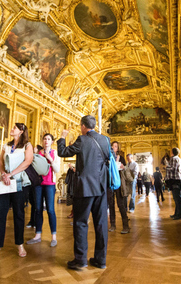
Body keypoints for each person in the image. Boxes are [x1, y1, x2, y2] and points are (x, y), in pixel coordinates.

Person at [57, 115, 110, 270]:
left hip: (85, 188)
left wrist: (62, 137)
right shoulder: (105, 140)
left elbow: (63, 152)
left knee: (80, 223)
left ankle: (81, 260)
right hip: (101, 188)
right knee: (101, 224)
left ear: (83, 126)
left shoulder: (82, 139)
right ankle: (101, 260)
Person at [0, 123, 32, 261]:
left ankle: (20, 244)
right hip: (5, 183)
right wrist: (4, 174)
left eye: (14, 128)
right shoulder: (6, 145)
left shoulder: (27, 145)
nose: (12, 129)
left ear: (21, 131)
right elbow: (0, 161)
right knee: (0, 213)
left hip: (19, 183)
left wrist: (11, 174)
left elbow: (27, 162)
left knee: (19, 214)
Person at [27, 133, 60, 247]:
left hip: (50, 183)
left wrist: (50, 159)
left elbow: (57, 169)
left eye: (48, 139)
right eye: (44, 139)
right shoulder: (38, 154)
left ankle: (53, 237)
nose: (46, 141)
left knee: (50, 209)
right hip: (38, 184)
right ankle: (38, 235)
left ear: (52, 141)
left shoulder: (54, 153)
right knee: (38, 209)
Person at [107, 141, 129, 233]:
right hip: (110, 183)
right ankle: (112, 225)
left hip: (119, 183)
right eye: (112, 146)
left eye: (115, 146)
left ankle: (126, 226)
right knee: (111, 204)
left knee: (121, 204)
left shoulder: (121, 158)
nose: (113, 147)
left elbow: (126, 169)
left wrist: (123, 167)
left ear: (117, 148)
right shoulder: (108, 158)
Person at [24, 145, 43, 228]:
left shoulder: (39, 158)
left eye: (35, 148)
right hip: (30, 182)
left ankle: (35, 221)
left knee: (36, 203)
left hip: (36, 182)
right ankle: (32, 220)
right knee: (32, 202)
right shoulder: (30, 157)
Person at [167, 148, 181, 220]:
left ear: (172, 152)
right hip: (177, 179)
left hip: (174, 180)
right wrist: (180, 173)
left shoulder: (173, 159)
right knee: (177, 197)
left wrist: (167, 167)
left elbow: (173, 168)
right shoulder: (179, 159)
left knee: (177, 198)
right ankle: (177, 213)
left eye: (170, 151)